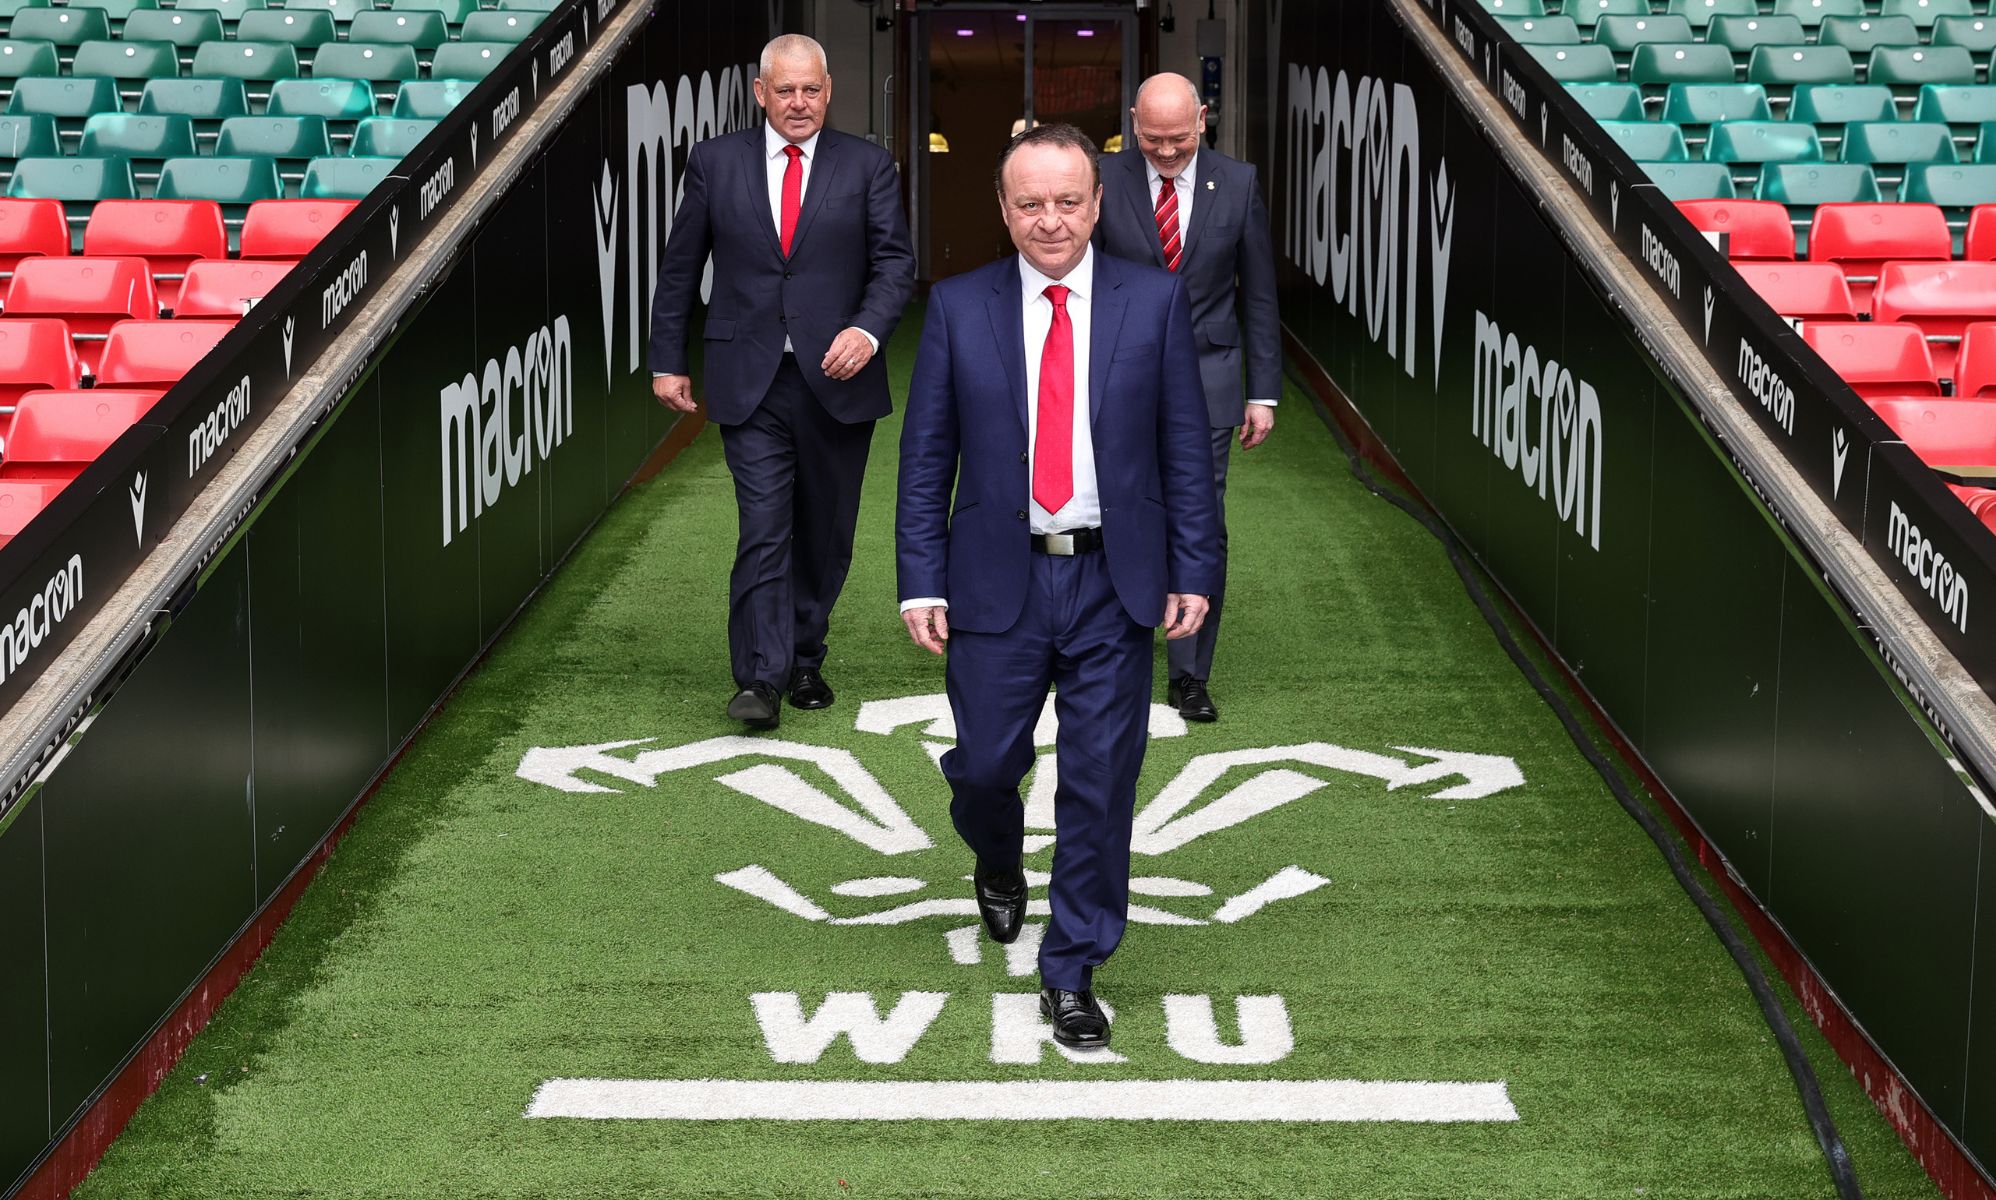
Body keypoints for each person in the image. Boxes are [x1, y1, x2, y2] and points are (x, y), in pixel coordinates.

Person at [896, 123, 1220, 1049]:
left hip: (1113, 582)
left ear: (1098, 202)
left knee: (1100, 784)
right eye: (1030, 203)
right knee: (989, 767)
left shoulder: (1152, 302)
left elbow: (1182, 451)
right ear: (1003, 209)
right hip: (994, 585)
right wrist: (920, 580)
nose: (1051, 220)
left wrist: (1193, 567)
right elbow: (926, 462)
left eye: (1068, 201)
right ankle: (997, 859)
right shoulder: (958, 307)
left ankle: (1072, 968)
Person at [650, 33, 914, 729]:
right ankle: (760, 679)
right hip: (750, 378)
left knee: (825, 533)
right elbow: (682, 268)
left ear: (829, 92)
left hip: (839, 378)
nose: (799, 103)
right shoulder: (714, 163)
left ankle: (804, 654)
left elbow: (895, 265)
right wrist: (667, 359)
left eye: (812, 90)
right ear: (761, 93)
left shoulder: (869, 165)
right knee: (764, 527)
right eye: (785, 90)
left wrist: (866, 330)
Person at [1093, 73, 1280, 724]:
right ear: (1133, 123)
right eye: (1152, 139)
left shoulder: (1239, 182)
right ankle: (1108, 652)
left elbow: (1257, 293)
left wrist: (1265, 393)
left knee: (1199, 521)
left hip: (1210, 380)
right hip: (1117, 378)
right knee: (1115, 511)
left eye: (1178, 137)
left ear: (1202, 119)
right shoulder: (1100, 178)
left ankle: (1190, 674)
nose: (1167, 152)